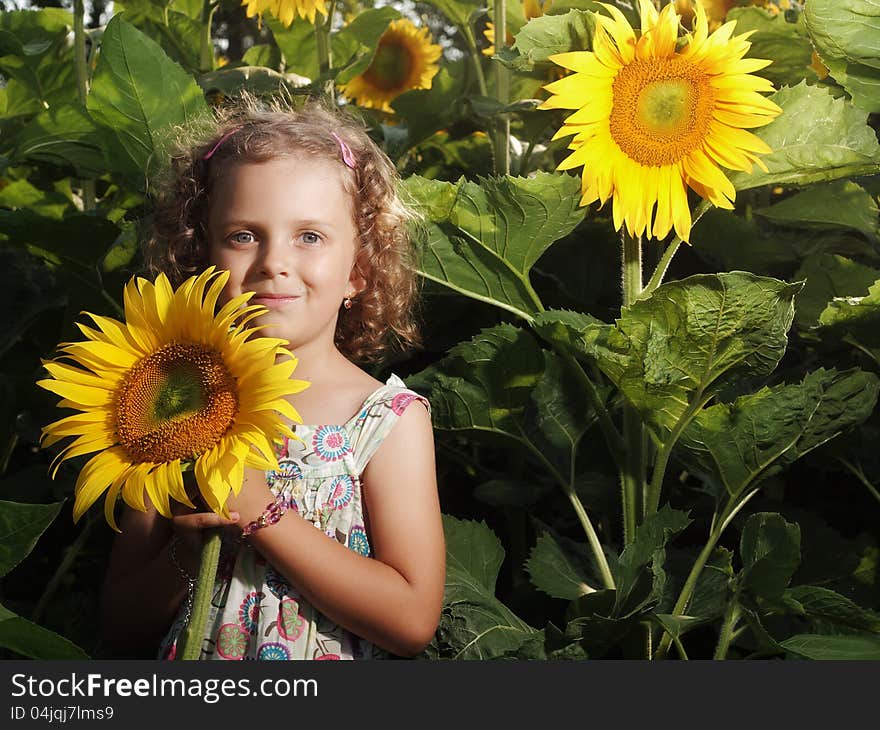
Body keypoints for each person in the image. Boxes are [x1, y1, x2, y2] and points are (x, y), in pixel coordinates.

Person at [100, 98, 445, 660]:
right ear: (201, 256)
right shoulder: (171, 406)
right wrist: (184, 559)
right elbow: (121, 626)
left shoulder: (384, 421)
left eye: (309, 236)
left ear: (358, 270)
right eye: (243, 236)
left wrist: (263, 513)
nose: (272, 262)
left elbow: (410, 620)